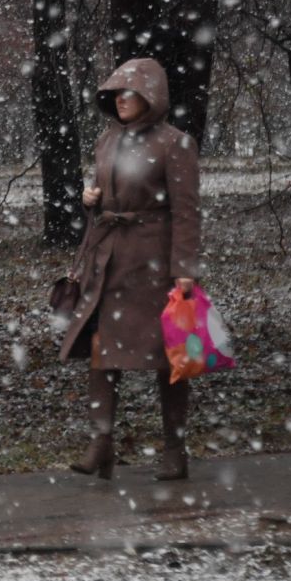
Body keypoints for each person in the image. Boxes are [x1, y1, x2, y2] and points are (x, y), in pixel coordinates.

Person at [59, 58, 201, 482]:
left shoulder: (175, 144)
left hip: (154, 264)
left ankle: (175, 449)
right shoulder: (107, 140)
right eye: (115, 93)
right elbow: (106, 198)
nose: (120, 100)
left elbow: (187, 212)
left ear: (150, 97)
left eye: (129, 93)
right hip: (110, 261)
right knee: (102, 353)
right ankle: (101, 443)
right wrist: (91, 199)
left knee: (169, 357)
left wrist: (185, 270)